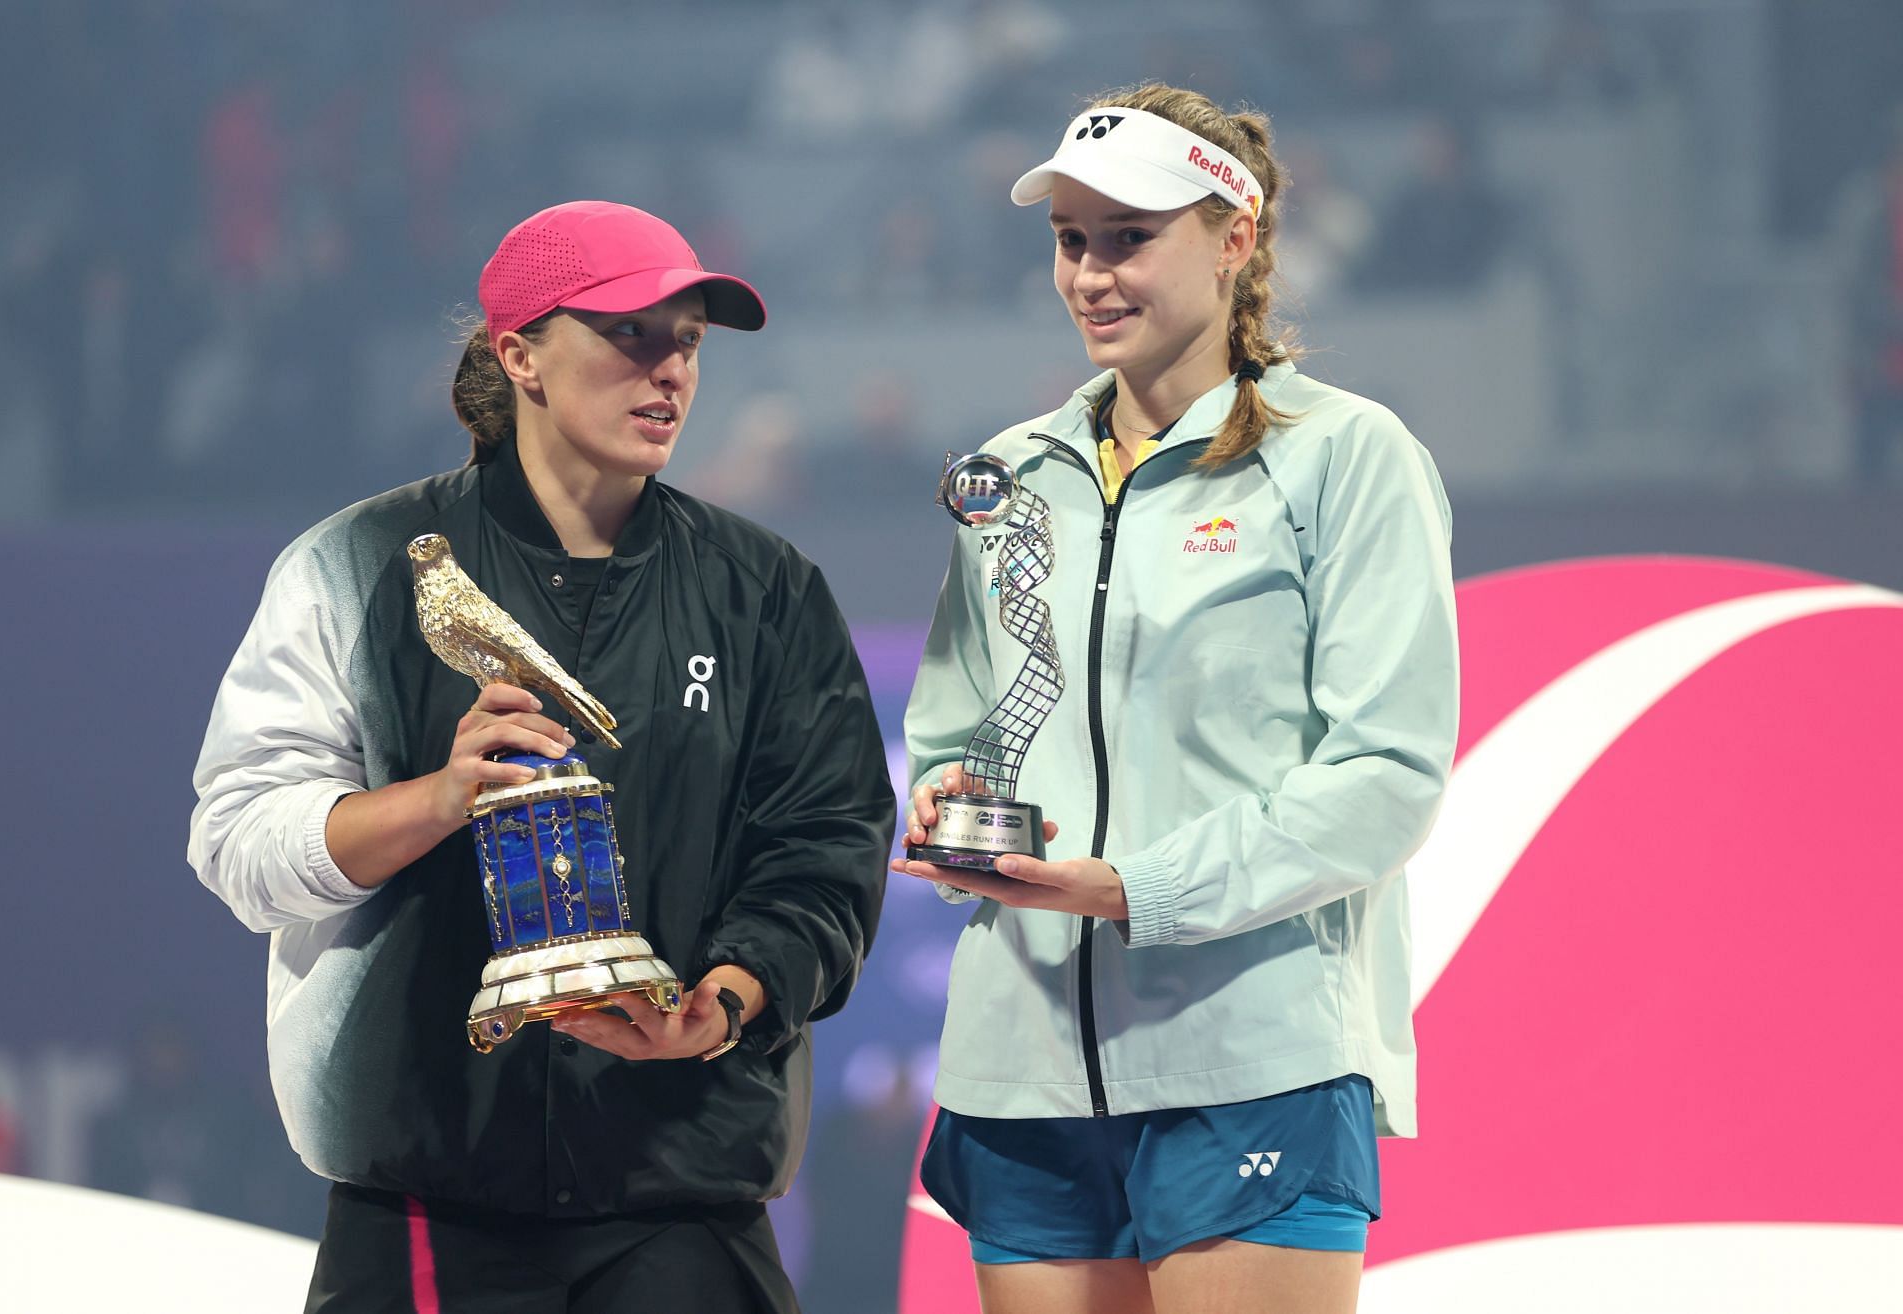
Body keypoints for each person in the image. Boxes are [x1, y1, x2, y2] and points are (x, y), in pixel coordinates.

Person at [190, 200, 895, 1313]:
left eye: (689, 342)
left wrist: (720, 1002)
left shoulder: (767, 591)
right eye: (629, 335)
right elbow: (238, 842)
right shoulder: (357, 565)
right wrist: (437, 800)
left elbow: (826, 850)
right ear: (519, 353)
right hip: (428, 1194)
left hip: (680, 1186)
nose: (668, 372)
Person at [896, 85, 1458, 1314]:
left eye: (1130, 237)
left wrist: (1133, 890)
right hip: (1023, 1065)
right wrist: (949, 793)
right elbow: (953, 721)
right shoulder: (1009, 475)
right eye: (1071, 240)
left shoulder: (1344, 456)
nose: (1093, 273)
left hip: (1249, 1054)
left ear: (1236, 239)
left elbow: (1384, 777)